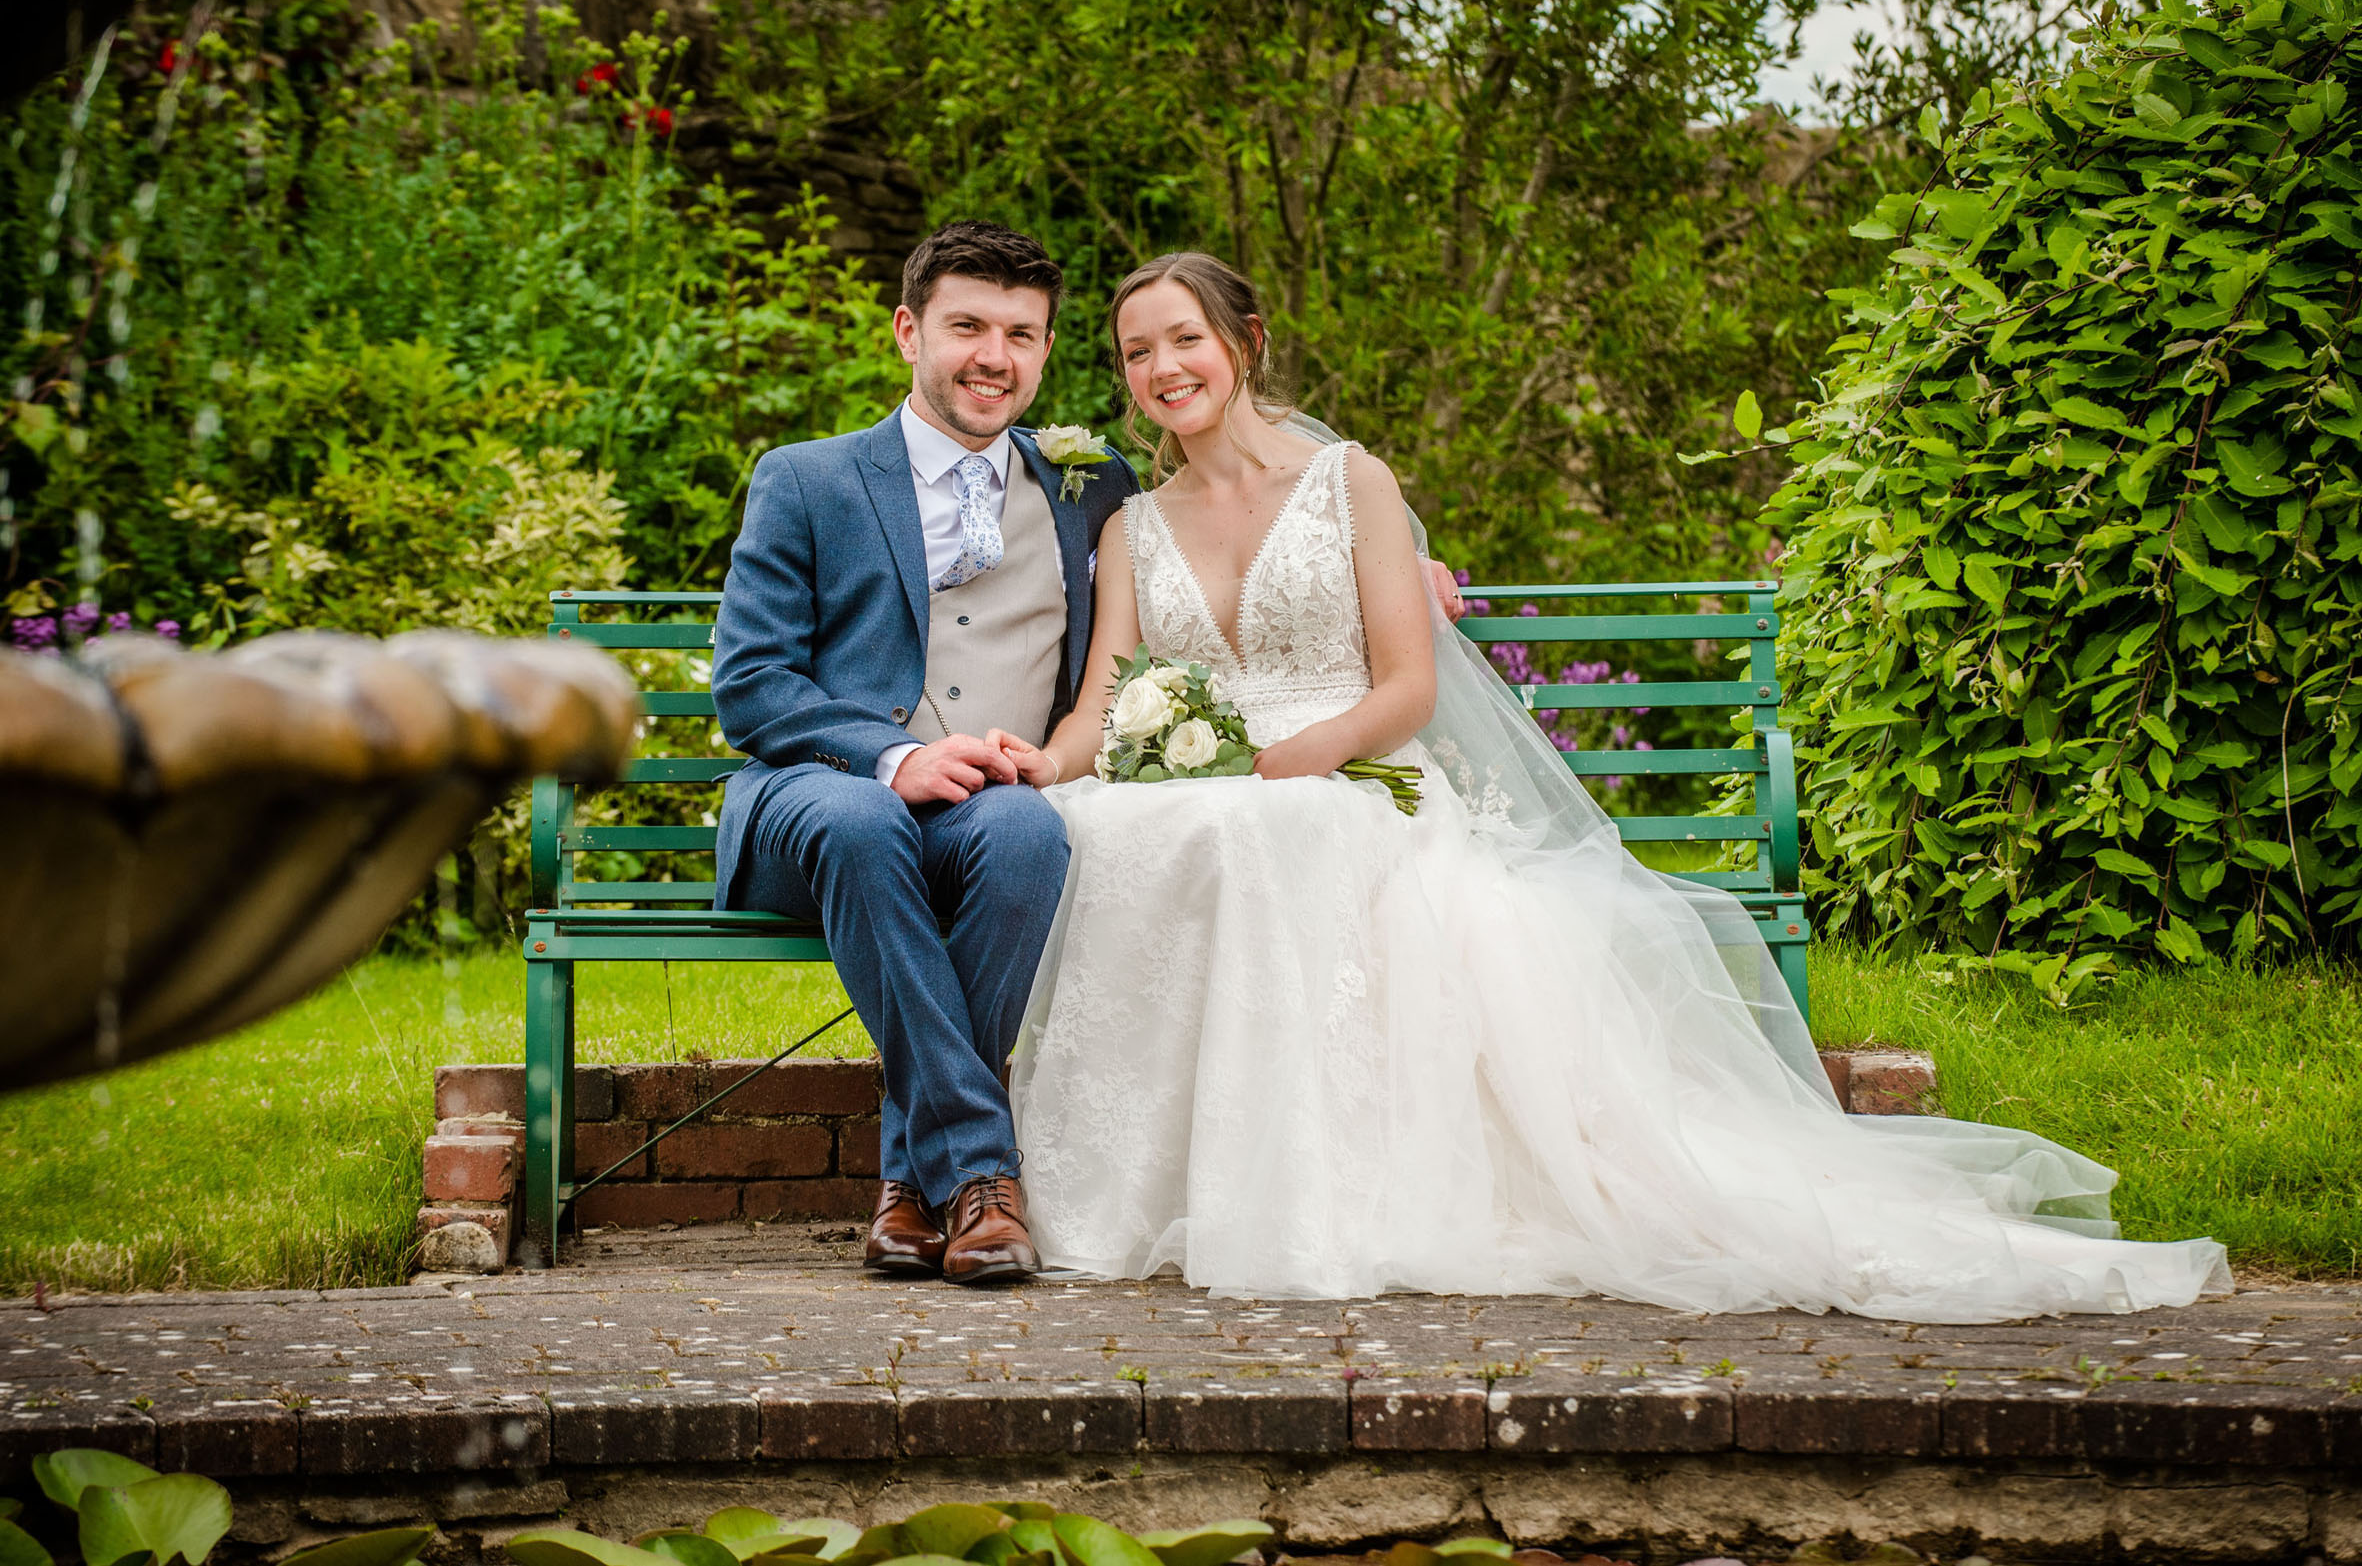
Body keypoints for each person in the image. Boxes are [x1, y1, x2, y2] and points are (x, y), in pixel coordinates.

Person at [987, 251, 2233, 1320]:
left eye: (1184, 338)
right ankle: (1145, 1186)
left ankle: (1298, 1196)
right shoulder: (1129, 526)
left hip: (1351, 769)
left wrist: (1282, 760)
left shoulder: (1349, 483)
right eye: (1137, 350)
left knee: (1275, 829)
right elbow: (1104, 704)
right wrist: (1035, 765)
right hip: (1219, 786)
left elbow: (1407, 690)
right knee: (1099, 824)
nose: (1162, 368)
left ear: (1244, 342)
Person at [711, 221, 1476, 1286]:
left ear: (1046, 350)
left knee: (1032, 831)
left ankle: (920, 1192)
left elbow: (1247, 525)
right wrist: (889, 758)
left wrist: (1418, 575)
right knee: (864, 817)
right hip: (825, 799)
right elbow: (750, 685)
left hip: (994, 799)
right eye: (966, 326)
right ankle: (967, 1174)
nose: (993, 355)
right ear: (906, 332)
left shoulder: (1088, 489)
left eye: (1021, 334)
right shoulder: (806, 478)